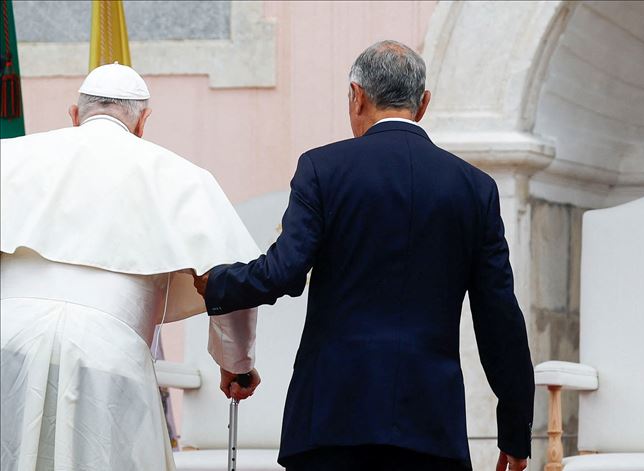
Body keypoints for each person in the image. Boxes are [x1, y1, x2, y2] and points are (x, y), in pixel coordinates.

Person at [194, 41, 534, 471]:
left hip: (332, 420)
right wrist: (516, 430)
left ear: (356, 96)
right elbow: (499, 315)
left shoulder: (322, 169)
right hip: (430, 424)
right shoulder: (474, 188)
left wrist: (217, 283)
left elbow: (283, 272)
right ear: (423, 103)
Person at [0, 63, 262, 471]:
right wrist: (236, 364)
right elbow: (229, 279)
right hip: (107, 357)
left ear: (75, 115)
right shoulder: (182, 177)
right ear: (143, 121)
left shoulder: (9, 154)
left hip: (6, 342)